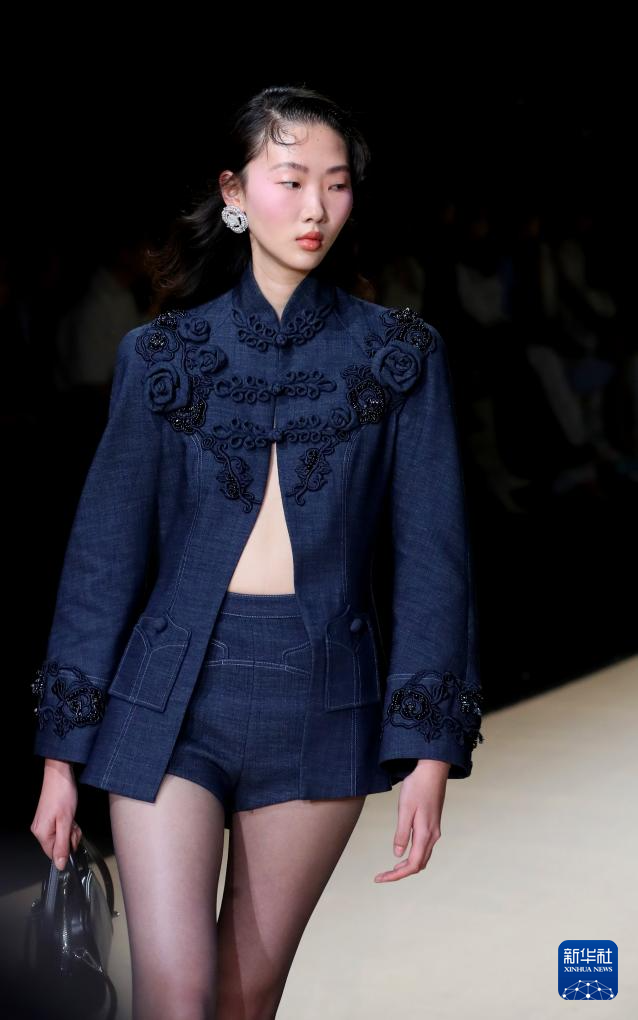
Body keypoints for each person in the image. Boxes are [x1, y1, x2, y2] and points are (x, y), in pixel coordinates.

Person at [30, 84, 484, 1019]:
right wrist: (59, 758)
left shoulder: (399, 356)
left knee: (243, 1004)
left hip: (323, 697)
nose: (316, 207)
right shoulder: (162, 357)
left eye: (336, 183)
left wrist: (429, 751)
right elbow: (102, 558)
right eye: (291, 179)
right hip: (168, 694)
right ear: (235, 192)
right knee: (177, 998)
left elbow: (433, 558)